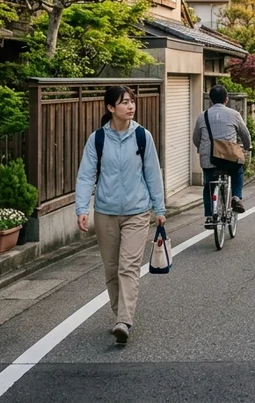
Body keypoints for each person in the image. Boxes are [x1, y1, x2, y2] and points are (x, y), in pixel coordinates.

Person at [75, 85, 165, 345]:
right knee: (111, 269)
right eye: (124, 102)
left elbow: (152, 173)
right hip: (105, 212)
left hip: (137, 212)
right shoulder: (97, 139)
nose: (130, 106)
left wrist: (159, 209)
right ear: (111, 108)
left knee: (129, 267)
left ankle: (124, 320)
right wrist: (82, 208)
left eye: (132, 101)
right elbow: (85, 175)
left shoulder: (142, 136)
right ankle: (119, 315)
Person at [192, 85, 252, 229]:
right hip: (229, 158)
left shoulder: (202, 116)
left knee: (208, 184)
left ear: (211, 100)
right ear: (227, 99)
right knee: (237, 171)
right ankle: (236, 197)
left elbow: (196, 139)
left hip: (209, 159)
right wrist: (248, 146)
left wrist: (203, 149)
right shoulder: (234, 114)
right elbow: (245, 135)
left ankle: (209, 216)